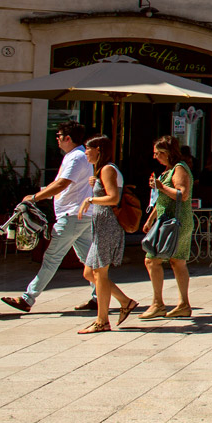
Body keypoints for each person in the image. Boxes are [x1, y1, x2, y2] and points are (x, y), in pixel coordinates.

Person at [2, 121, 95, 314]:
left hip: (71, 216)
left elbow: (62, 184)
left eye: (59, 136)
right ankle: (100, 297)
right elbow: (61, 184)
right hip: (80, 216)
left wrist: (35, 198)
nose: (57, 139)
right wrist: (41, 194)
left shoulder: (76, 157)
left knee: (52, 258)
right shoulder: (76, 156)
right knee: (90, 260)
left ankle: (28, 298)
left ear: (68, 138)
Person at [75, 136, 136, 334]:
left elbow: (113, 198)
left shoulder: (108, 169)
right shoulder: (103, 170)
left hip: (108, 226)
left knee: (99, 273)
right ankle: (125, 302)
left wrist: (90, 199)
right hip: (101, 226)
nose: (85, 152)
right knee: (89, 273)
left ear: (98, 149)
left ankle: (102, 321)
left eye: (88, 148)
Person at [140, 135, 195, 320]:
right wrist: (150, 220)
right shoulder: (169, 170)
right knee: (177, 261)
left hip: (174, 222)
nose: (155, 157)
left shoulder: (179, 168)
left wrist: (160, 187)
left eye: (158, 153)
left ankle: (158, 304)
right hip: (170, 220)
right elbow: (163, 200)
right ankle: (183, 305)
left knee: (152, 260)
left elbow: (182, 194)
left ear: (167, 152)